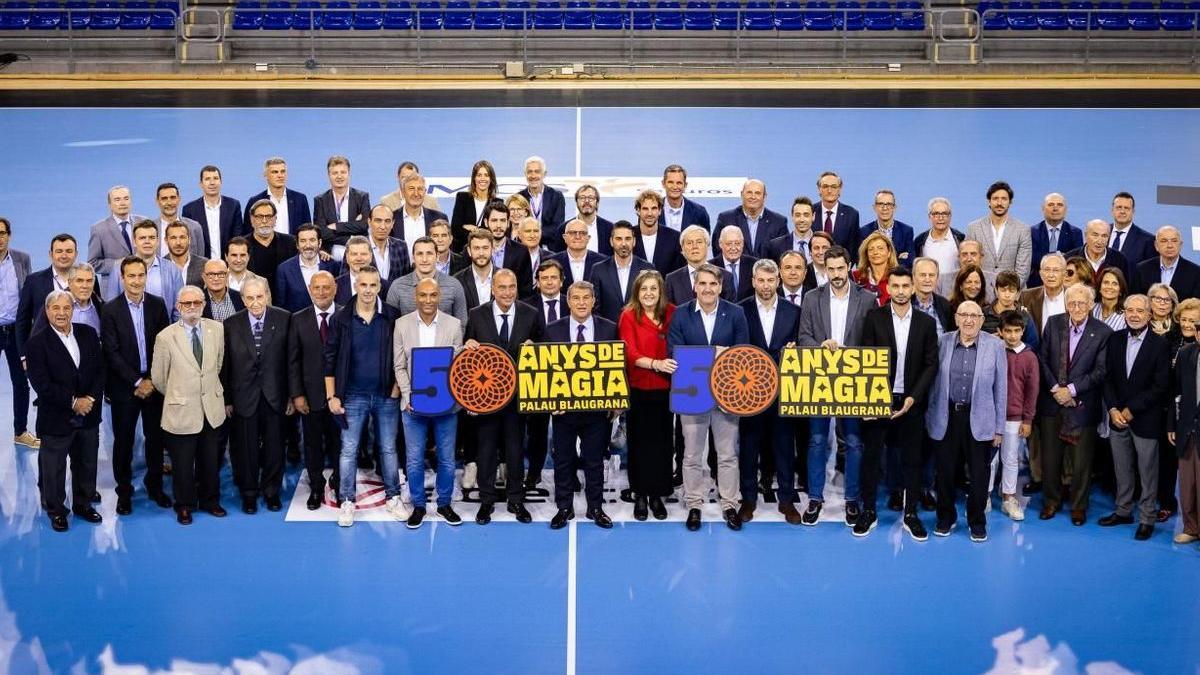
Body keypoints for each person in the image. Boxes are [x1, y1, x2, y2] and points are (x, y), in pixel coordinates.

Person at [856, 267, 938, 539]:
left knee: (912, 461)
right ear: (887, 289)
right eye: (896, 286)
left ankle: (911, 513)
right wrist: (869, 403)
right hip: (878, 400)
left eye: (906, 286)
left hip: (911, 402)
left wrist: (913, 398)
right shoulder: (874, 317)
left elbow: (930, 364)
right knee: (871, 457)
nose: (901, 291)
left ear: (913, 288)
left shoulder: (926, 323)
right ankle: (868, 511)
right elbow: (866, 359)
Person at [667, 263, 749, 532]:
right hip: (691, 392)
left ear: (720, 286)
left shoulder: (735, 313)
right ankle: (694, 504)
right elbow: (676, 353)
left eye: (712, 284)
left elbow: (741, 354)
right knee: (691, 455)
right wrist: (716, 352)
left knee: (726, 454)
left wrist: (705, 354)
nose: (707, 289)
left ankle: (729, 504)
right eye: (702, 284)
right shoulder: (680, 314)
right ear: (695, 287)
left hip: (727, 395)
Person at [797, 245, 875, 526]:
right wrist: (821, 346)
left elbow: (872, 340)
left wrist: (850, 351)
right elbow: (803, 336)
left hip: (853, 379)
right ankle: (815, 498)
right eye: (831, 269)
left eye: (841, 268)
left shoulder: (867, 299)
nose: (836, 274)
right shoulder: (811, 298)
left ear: (850, 266)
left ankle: (851, 500)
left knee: (853, 442)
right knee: (817, 441)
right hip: (819, 377)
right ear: (824, 269)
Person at [325, 266, 407, 528]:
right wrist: (332, 397)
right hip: (352, 396)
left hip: (386, 396)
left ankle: (393, 497)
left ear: (379, 288)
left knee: (388, 448)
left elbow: (402, 354)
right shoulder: (341, 319)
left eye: (373, 285)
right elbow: (330, 360)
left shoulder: (392, 316)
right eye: (363, 285)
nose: (368, 290)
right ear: (355, 286)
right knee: (348, 450)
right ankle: (347, 501)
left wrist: (396, 388)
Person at [463, 268, 541, 525]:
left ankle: (516, 500)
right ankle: (486, 502)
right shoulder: (477, 315)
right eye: (502, 287)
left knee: (515, 451)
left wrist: (535, 349)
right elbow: (467, 354)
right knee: (486, 450)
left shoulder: (531, 314)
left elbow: (543, 355)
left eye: (512, 287)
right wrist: (468, 346)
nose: (507, 292)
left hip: (518, 398)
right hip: (486, 398)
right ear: (492, 289)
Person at [925, 300, 1007, 542]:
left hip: (980, 420)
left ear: (982, 320)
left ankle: (977, 522)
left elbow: (1001, 389)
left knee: (979, 476)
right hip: (947, 417)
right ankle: (945, 518)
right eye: (964, 315)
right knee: (946, 473)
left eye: (974, 316)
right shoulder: (942, 342)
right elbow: (932, 384)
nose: (969, 320)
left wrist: (999, 428)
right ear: (957, 318)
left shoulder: (995, 346)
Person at [24, 291, 104, 532]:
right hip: (56, 418)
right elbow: (42, 384)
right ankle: (56, 510)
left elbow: (99, 370)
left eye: (66, 308)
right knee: (54, 468)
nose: (61, 313)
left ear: (73, 310)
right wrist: (73, 402)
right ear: (47, 312)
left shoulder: (88, 334)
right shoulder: (36, 343)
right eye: (55, 308)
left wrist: (89, 398)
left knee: (87, 463)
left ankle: (83, 503)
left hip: (88, 415)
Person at [100, 255, 173, 514]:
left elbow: (165, 345)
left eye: (140, 275)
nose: (136, 280)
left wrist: (152, 379)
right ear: (122, 278)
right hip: (125, 387)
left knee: (156, 439)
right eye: (131, 276)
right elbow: (112, 352)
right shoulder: (110, 309)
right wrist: (136, 381)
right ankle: (124, 492)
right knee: (124, 442)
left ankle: (155, 487)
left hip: (154, 384)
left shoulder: (158, 305)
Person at [545, 281, 620, 530]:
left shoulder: (609, 329)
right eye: (575, 298)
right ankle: (564, 508)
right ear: (567, 301)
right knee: (563, 460)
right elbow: (545, 371)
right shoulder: (552, 330)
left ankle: (595, 508)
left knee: (594, 460)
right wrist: (548, 401)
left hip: (597, 411)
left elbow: (617, 369)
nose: (581, 302)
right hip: (563, 410)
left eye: (586, 297)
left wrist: (617, 403)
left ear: (593, 300)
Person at [154, 284, 229, 525]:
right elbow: (159, 378)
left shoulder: (217, 330)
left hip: (211, 408)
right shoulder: (165, 337)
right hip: (181, 410)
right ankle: (184, 505)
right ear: (177, 307)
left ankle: (210, 500)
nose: (192, 307)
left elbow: (217, 365)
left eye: (197, 303)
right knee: (183, 464)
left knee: (210, 459)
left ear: (204, 305)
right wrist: (181, 394)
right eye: (187, 304)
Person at [1037, 283, 1111, 525]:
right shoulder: (1054, 323)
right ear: (1066, 304)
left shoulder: (1102, 332)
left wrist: (1071, 390)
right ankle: (1050, 502)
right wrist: (1056, 389)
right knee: (1050, 458)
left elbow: (1100, 371)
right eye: (1072, 303)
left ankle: (1078, 506)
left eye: (1082, 303)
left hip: (1082, 405)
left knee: (1081, 462)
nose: (1076, 307)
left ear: (1091, 305)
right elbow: (1043, 358)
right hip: (1052, 402)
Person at [394, 277, 464, 528]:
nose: (427, 300)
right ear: (415, 297)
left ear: (439, 297)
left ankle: (444, 503)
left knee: (446, 457)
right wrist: (407, 394)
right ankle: (419, 506)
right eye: (423, 295)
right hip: (414, 406)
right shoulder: (401, 325)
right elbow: (399, 366)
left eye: (432, 295)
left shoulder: (454, 325)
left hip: (446, 405)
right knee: (413, 459)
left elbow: (457, 367)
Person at [737, 259, 803, 524]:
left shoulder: (793, 311)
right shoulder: (740, 310)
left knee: (785, 447)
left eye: (770, 280)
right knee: (749, 446)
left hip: (783, 391)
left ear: (778, 281)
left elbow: (800, 345)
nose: (765, 285)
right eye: (760, 280)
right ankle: (748, 499)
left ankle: (787, 500)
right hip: (749, 391)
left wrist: (795, 351)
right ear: (753, 281)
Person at [1100, 294, 1168, 541]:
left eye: (1140, 311)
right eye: (1130, 310)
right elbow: (1107, 378)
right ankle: (1123, 510)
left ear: (1149, 315)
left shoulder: (1160, 344)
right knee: (1122, 469)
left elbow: (1160, 386)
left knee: (1147, 472)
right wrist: (1114, 409)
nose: (1135, 315)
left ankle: (1147, 518)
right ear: (1125, 313)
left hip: (1145, 420)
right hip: (1117, 417)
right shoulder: (1115, 339)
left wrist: (1131, 410)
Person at [223, 277, 291, 514]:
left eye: (259, 297)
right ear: (242, 299)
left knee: (274, 448)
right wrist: (228, 400)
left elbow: (290, 362)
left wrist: (292, 396)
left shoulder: (284, 318)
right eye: (249, 298)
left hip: (275, 396)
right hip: (244, 398)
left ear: (267, 296)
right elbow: (226, 366)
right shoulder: (230, 324)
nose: (255, 303)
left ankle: (272, 492)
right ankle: (248, 494)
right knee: (245, 449)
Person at [620, 270, 675, 522]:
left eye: (653, 288)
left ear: (660, 291)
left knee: (663, 443)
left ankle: (658, 495)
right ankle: (640, 494)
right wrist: (655, 364)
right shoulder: (629, 315)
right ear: (637, 292)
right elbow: (629, 353)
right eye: (644, 289)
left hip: (667, 389)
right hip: (639, 388)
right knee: (640, 443)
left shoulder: (673, 313)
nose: (649, 293)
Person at [288, 270, 341, 510]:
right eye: (316, 288)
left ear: (335, 289)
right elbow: (293, 361)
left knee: (341, 444)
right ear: (310, 290)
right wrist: (297, 394)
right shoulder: (298, 319)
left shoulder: (346, 315)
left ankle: (340, 484)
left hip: (341, 397)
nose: (321, 292)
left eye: (326, 287)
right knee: (312, 445)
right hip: (310, 397)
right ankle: (317, 486)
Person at [993, 310, 1038, 521]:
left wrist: (1027, 419)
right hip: (991, 416)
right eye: (1008, 331)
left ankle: (1009, 497)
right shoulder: (993, 351)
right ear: (1000, 332)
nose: (1012, 335)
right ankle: (983, 496)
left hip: (1014, 417)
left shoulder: (1029, 357)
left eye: (1017, 331)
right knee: (989, 459)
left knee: (1010, 459)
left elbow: (1032, 390)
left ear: (1023, 331)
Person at [1149, 282, 1183, 522]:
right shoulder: (1138, 327)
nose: (1161, 303)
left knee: (1168, 458)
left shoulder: (1181, 333)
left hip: (1170, 405)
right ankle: (1145, 498)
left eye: (1166, 300)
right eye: (1157, 299)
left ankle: (1167, 501)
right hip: (1144, 404)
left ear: (1173, 306)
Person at [0, 217, 34, 449]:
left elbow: (29, 295)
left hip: (16, 331)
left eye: (2, 233)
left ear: (9, 235)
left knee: (21, 382)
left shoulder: (22, 259)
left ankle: (20, 431)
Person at [1168, 317, 1200, 547]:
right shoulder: (1187, 354)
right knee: (1187, 483)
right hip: (1187, 428)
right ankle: (1191, 528)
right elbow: (1175, 391)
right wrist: (1172, 424)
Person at [385, 236, 469, 322]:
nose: (424, 259)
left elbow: (461, 322)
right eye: (420, 254)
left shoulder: (454, 285)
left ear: (437, 257)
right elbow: (390, 324)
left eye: (429, 253)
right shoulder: (397, 286)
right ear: (413, 257)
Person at [105, 220, 184, 311]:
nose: (147, 241)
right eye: (142, 238)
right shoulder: (117, 270)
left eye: (152, 237)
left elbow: (179, 307)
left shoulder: (172, 270)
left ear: (158, 241)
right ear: (134, 242)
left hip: (165, 325)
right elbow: (111, 308)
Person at [964, 180, 1033, 283]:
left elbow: (1023, 269)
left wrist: (1008, 291)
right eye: (995, 198)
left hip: (1012, 291)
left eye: (1004, 199)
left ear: (1010, 202)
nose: (999, 203)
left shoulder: (1023, 229)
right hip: (980, 290)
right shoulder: (973, 228)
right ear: (989, 201)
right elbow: (969, 265)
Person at [592, 220, 653, 323]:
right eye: (619, 239)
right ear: (611, 241)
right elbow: (594, 307)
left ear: (634, 241)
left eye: (628, 239)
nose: (623, 243)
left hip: (638, 331)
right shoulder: (598, 269)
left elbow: (652, 305)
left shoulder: (647, 268)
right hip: (608, 335)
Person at [182, 164, 245, 260]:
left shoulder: (233, 205)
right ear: (201, 184)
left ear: (221, 182)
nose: (212, 183)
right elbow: (189, 242)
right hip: (201, 265)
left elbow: (238, 237)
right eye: (207, 179)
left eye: (215, 178)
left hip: (229, 264)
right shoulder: (189, 209)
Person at [713, 179, 787, 259]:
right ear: (742, 194)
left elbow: (784, 255)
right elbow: (718, 250)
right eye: (749, 192)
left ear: (764, 197)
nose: (753, 197)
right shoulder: (726, 219)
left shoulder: (779, 222)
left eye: (757, 193)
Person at [276, 223, 339, 313]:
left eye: (312, 240)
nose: (308, 245)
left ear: (319, 242)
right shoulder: (284, 270)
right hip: (297, 325)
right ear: (297, 244)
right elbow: (280, 306)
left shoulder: (333, 265)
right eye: (303, 241)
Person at [665, 225, 735, 305]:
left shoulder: (726, 277)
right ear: (682, 249)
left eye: (699, 242)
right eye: (689, 243)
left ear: (707, 246)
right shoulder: (672, 280)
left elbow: (730, 313)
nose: (694, 247)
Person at [88, 185, 147, 278]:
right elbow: (93, 263)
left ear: (130, 201)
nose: (122, 203)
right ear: (110, 205)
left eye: (126, 198)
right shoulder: (99, 229)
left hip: (143, 281)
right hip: (113, 284)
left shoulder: (143, 222)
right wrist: (119, 263)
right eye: (117, 199)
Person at [244, 157, 312, 236]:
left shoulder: (300, 199)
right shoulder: (255, 201)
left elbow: (308, 230)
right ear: (265, 175)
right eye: (275, 172)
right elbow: (247, 232)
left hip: (293, 247)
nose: (280, 175)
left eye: (283, 171)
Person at [244, 200, 298, 297]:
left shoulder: (291, 243)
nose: (264, 221)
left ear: (275, 219)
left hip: (285, 301)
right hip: (254, 301)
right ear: (252, 220)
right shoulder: (242, 246)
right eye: (259, 216)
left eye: (268, 216)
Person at [1133, 225, 1200, 300]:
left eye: (1174, 241)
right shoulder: (1142, 269)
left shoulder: (1195, 272)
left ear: (1180, 245)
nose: (1169, 245)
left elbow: (1195, 305)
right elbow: (1137, 300)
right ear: (1156, 246)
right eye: (1164, 241)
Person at [1028, 192, 1081, 287]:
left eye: (1060, 205)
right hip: (1036, 284)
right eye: (1051, 204)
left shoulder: (1075, 233)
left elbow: (1076, 262)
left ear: (1065, 210)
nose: (1055, 208)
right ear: (1043, 209)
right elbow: (1032, 260)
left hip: (1065, 286)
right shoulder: (1032, 232)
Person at [312, 155, 372, 234]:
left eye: (343, 172)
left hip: (358, 245)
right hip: (332, 246)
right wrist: (352, 231)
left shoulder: (362, 197)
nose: (339, 176)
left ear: (349, 173)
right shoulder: (320, 200)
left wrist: (336, 226)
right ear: (329, 175)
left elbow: (364, 225)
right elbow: (321, 232)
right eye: (335, 173)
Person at [632, 189, 684, 277]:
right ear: (638, 210)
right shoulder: (628, 236)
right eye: (645, 209)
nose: (650, 213)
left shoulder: (674, 238)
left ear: (660, 211)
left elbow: (679, 273)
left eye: (654, 208)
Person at [518, 156, 566, 250]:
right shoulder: (519, 198)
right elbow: (516, 226)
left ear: (544, 174)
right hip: (524, 250)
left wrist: (531, 234)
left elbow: (558, 227)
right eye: (530, 172)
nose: (533, 176)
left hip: (550, 250)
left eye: (537, 171)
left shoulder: (556, 196)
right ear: (525, 174)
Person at [450, 159, 498, 252]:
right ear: (474, 178)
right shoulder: (462, 198)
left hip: (485, 252)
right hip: (462, 252)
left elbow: (495, 232)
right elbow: (455, 229)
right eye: (479, 175)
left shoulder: (496, 203)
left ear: (491, 179)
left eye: (486, 175)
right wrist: (483, 231)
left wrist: (472, 228)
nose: (482, 179)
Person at [982, 271, 1038, 349]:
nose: (1007, 295)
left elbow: (1033, 346)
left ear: (1018, 293)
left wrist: (1015, 344)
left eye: (1011, 291)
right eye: (1003, 290)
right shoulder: (983, 314)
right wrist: (987, 341)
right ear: (996, 291)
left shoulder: (1025, 316)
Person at [151, 183, 205, 259]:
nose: (169, 203)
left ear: (179, 199)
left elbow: (200, 260)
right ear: (157, 201)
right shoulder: (150, 229)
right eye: (164, 198)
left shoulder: (195, 227)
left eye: (172, 198)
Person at [859, 189, 915, 264]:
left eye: (888, 204)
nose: (885, 208)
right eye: (880, 204)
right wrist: (898, 260)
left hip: (897, 275)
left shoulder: (906, 231)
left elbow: (909, 262)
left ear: (894, 208)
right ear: (874, 207)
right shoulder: (864, 232)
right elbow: (863, 261)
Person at [1068, 218, 1130, 284]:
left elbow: (1126, 288)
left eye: (1104, 236)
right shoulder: (1070, 258)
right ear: (1086, 235)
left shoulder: (1120, 260)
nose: (1100, 241)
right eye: (1095, 235)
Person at [914, 197, 963, 279]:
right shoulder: (920, 241)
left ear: (950, 216)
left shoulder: (960, 239)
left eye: (944, 213)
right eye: (936, 214)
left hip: (954, 289)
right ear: (929, 216)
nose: (941, 218)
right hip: (929, 289)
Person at [813, 171, 861, 257]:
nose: (829, 191)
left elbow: (854, 248)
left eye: (834, 187)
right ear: (819, 189)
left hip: (841, 267)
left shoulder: (851, 214)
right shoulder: (810, 211)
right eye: (825, 186)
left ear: (840, 190)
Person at [363, 204, 413, 284]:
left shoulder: (401, 247)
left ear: (393, 223)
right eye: (378, 221)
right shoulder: (356, 247)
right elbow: (347, 281)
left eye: (387, 221)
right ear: (369, 222)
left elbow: (406, 281)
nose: (383, 226)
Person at [550, 218, 606, 288]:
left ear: (588, 238)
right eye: (572, 233)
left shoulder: (603, 262)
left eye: (582, 233)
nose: (577, 236)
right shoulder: (552, 262)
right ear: (564, 237)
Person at [1107, 191, 1156, 266]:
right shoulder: (1102, 232)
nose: (1122, 211)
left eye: (1126, 208)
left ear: (1133, 212)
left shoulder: (1147, 240)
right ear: (1112, 210)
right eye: (1119, 207)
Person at [659, 164, 711, 233]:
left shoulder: (699, 212)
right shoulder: (652, 210)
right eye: (670, 182)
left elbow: (705, 241)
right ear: (663, 183)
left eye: (679, 183)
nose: (675, 187)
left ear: (685, 185)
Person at [710, 225, 757, 302]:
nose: (733, 248)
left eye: (737, 243)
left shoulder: (754, 265)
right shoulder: (710, 267)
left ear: (743, 244)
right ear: (720, 244)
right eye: (729, 244)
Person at [766, 196, 817, 264]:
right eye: (798, 215)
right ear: (792, 217)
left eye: (806, 215)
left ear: (813, 216)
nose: (802, 220)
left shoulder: (823, 244)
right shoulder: (776, 246)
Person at [853, 231, 897, 306]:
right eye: (871, 249)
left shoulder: (898, 276)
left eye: (880, 248)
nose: (875, 252)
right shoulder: (856, 277)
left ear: (889, 252)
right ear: (866, 254)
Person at [569, 184, 614, 256]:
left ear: (597, 203)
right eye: (582, 198)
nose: (586, 201)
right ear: (576, 203)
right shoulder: (564, 228)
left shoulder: (610, 228)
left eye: (591, 198)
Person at [912, 257, 953, 335]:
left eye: (931, 275)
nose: (927, 279)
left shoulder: (945, 305)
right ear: (913, 277)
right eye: (923, 275)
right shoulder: (902, 304)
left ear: (937, 278)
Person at [514, 216, 552, 298]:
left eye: (536, 231)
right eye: (528, 231)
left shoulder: (552, 258)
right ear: (519, 234)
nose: (532, 235)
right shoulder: (512, 257)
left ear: (541, 233)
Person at [163, 221, 208, 288]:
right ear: (166, 241)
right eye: (173, 238)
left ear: (189, 240)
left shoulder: (205, 265)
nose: (178, 243)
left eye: (182, 237)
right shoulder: (160, 266)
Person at [1092, 267, 1128, 332]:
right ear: (1099, 288)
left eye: (1115, 284)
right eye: (1106, 282)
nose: (1109, 287)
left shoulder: (1126, 316)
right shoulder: (1090, 309)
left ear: (1120, 290)